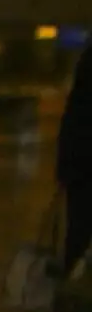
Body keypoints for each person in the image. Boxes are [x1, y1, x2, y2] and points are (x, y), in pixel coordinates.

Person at [59, 46, 91, 273]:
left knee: (78, 230)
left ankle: (72, 288)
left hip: (79, 164)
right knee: (80, 230)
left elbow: (73, 119)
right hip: (83, 164)